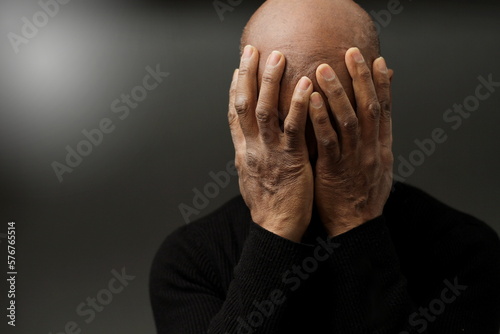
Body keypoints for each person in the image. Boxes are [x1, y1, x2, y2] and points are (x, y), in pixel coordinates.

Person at [149, 0, 500, 333]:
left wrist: (355, 221)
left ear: (379, 99)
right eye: (283, 118)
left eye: (335, 114)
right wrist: (276, 225)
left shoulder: (464, 251)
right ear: (243, 104)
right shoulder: (191, 261)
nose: (315, 143)